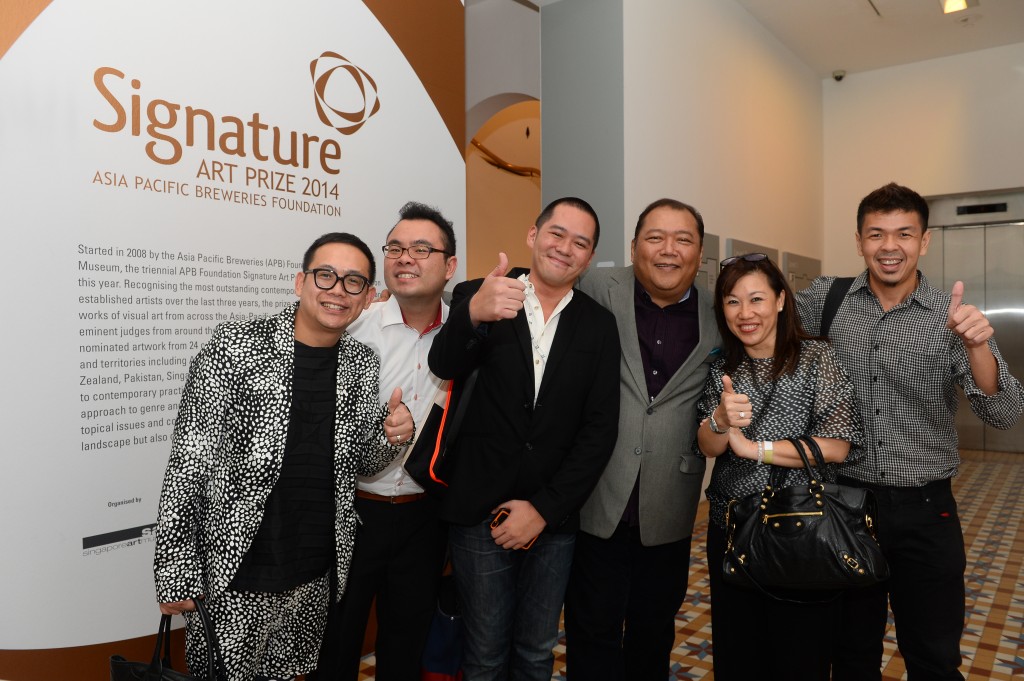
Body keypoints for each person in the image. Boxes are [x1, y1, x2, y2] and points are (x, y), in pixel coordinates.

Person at [153, 232, 415, 681]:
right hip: (236, 574)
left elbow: (360, 464)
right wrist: (175, 569)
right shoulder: (235, 346)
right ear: (300, 282)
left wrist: (393, 437)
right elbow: (188, 463)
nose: (338, 290)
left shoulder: (361, 363)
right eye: (325, 275)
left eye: (353, 281)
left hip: (313, 574)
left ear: (367, 296)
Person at [796, 182, 1024, 680]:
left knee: (934, 656)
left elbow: (1005, 413)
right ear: (859, 240)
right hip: (844, 504)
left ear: (924, 241)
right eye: (876, 233)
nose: (889, 246)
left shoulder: (952, 316)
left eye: (904, 233)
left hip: (925, 512)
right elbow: (760, 331)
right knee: (850, 655)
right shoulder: (825, 301)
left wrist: (977, 347)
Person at [427, 196, 621, 681]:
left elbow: (599, 429)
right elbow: (443, 364)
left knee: (536, 651)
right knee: (484, 653)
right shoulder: (483, 293)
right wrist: (474, 313)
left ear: (590, 257)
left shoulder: (598, 325)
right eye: (556, 234)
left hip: (552, 518)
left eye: (580, 243)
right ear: (533, 236)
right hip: (477, 510)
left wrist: (544, 509)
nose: (565, 248)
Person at [564, 198, 721, 681]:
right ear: (634, 247)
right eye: (655, 238)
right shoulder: (593, 288)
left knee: (653, 633)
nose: (668, 250)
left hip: (670, 500)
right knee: (590, 630)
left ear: (700, 253)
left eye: (683, 240)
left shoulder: (721, 312)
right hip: (597, 493)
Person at [696, 253, 862, 680]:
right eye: (733, 302)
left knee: (799, 656)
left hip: (804, 532)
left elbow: (837, 446)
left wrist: (755, 449)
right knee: (738, 655)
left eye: (756, 299)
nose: (745, 313)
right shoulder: (722, 369)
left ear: (781, 300)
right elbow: (708, 446)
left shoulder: (817, 358)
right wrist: (720, 420)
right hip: (733, 530)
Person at [312, 203, 457, 681]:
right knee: (335, 644)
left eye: (421, 249)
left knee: (405, 646)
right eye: (395, 248)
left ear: (450, 266)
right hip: (352, 512)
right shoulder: (355, 324)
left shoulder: (465, 335)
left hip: (424, 516)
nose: (405, 258)